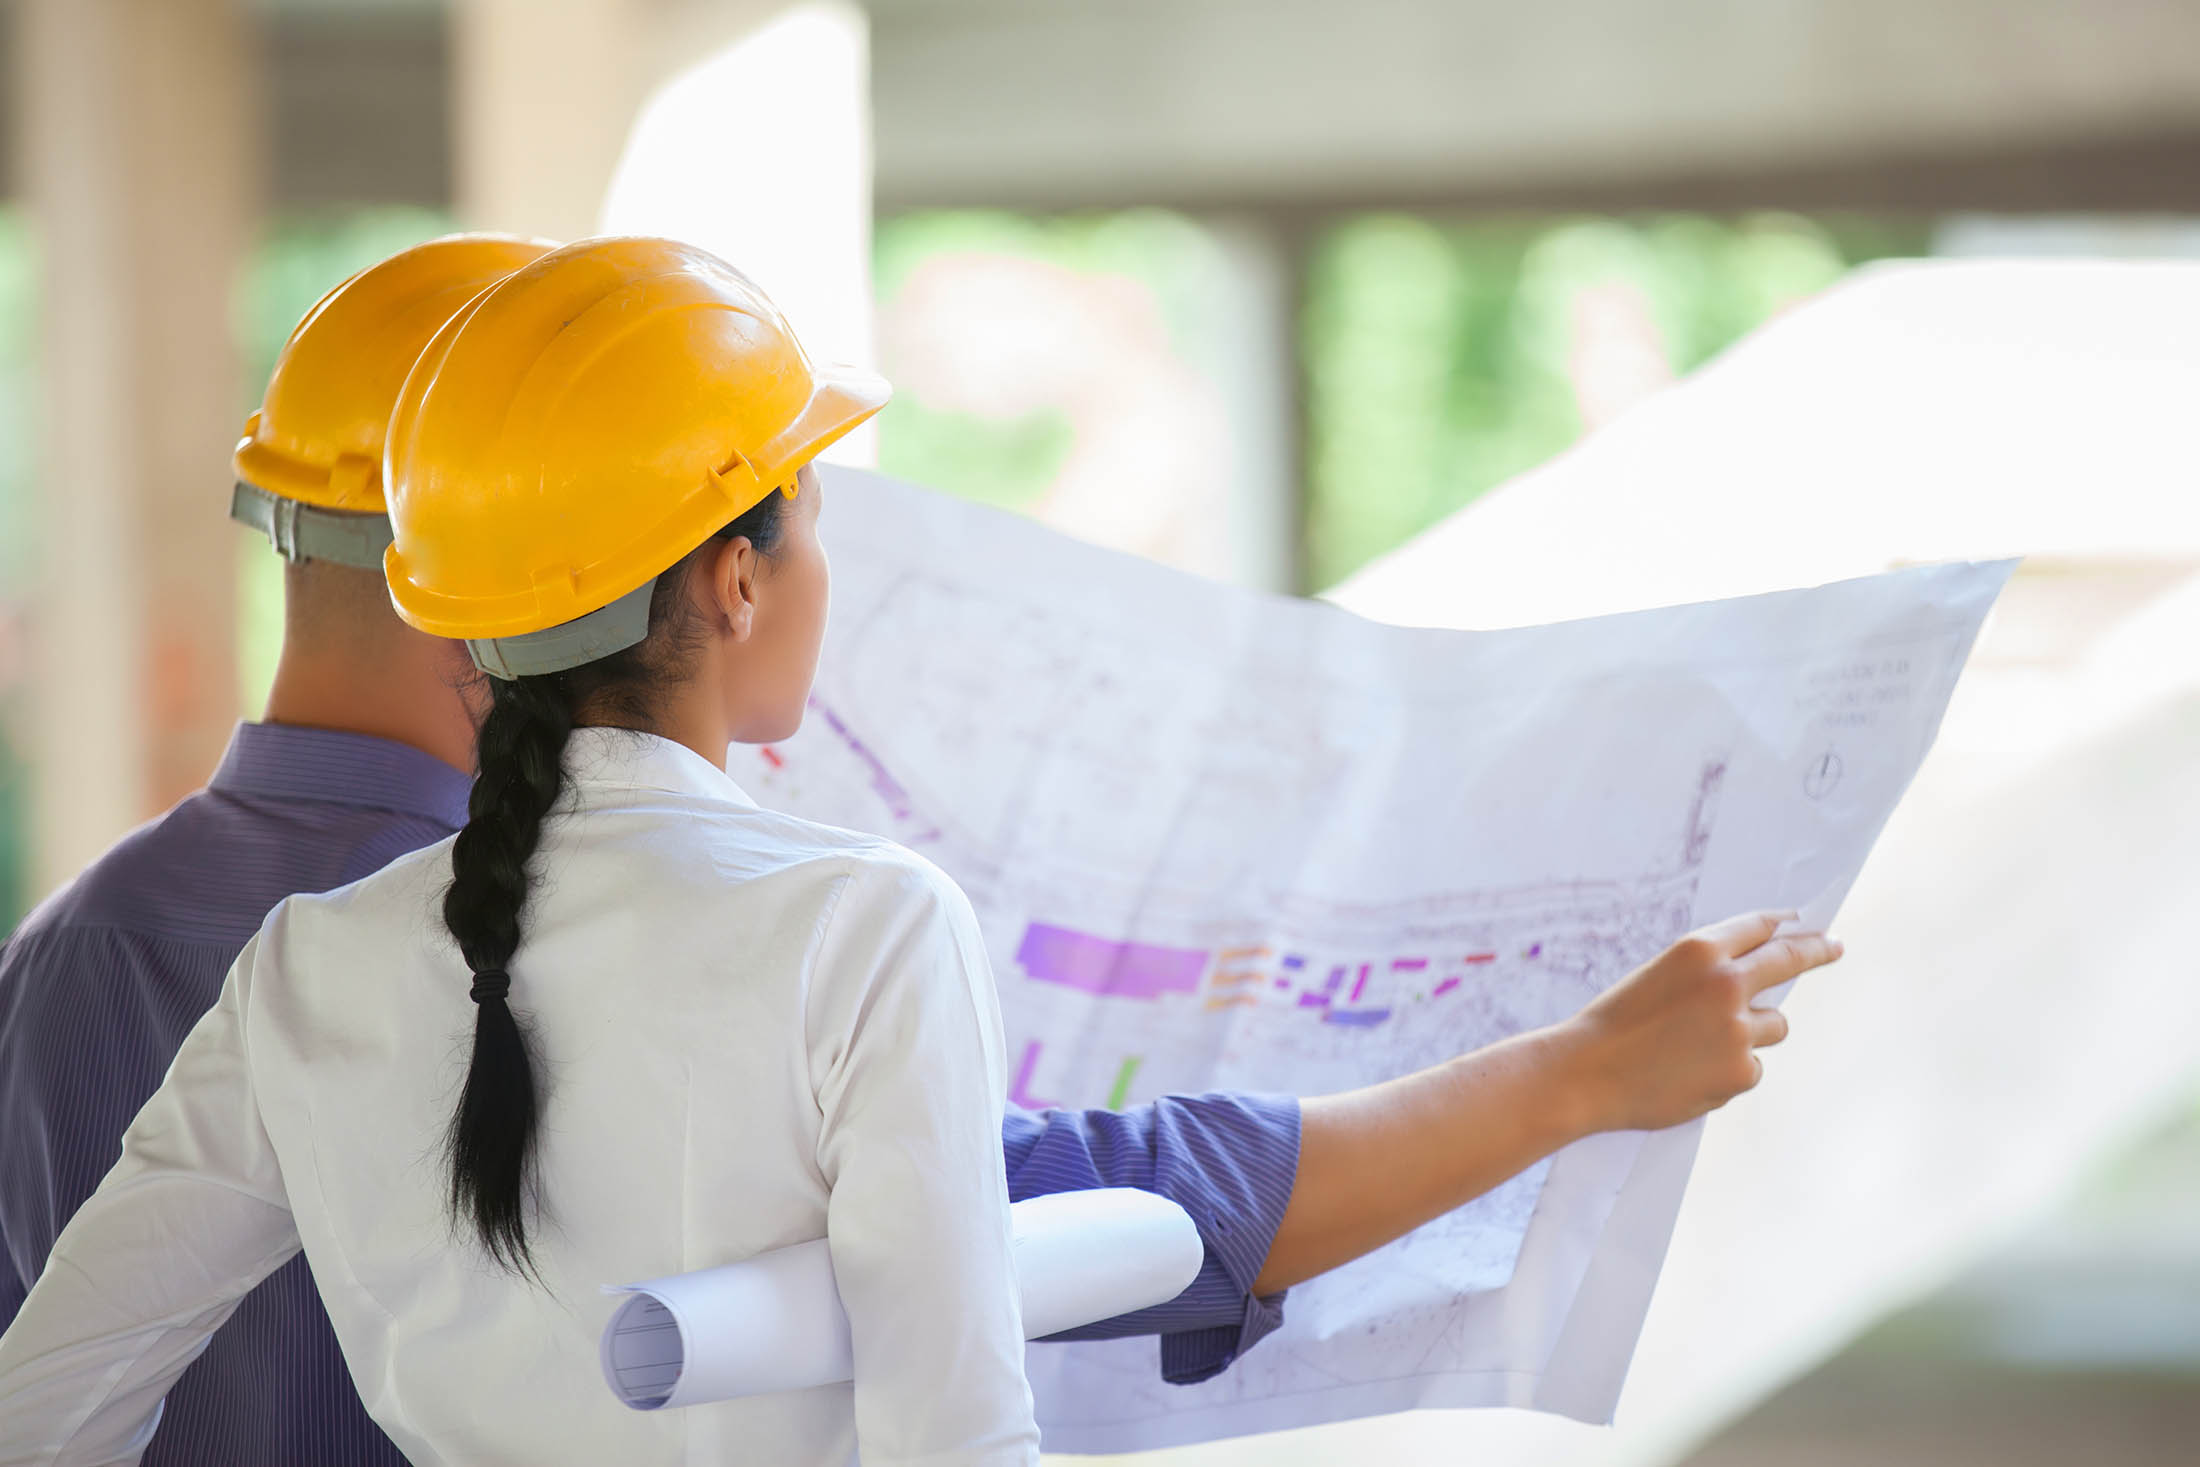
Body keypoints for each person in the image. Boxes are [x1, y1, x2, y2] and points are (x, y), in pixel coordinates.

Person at [0, 238, 1840, 1461]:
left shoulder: (264, 965)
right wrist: (1587, 1075)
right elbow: (973, 1403)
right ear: (735, 579)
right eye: (808, 524)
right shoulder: (853, 926)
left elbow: (50, 1396)